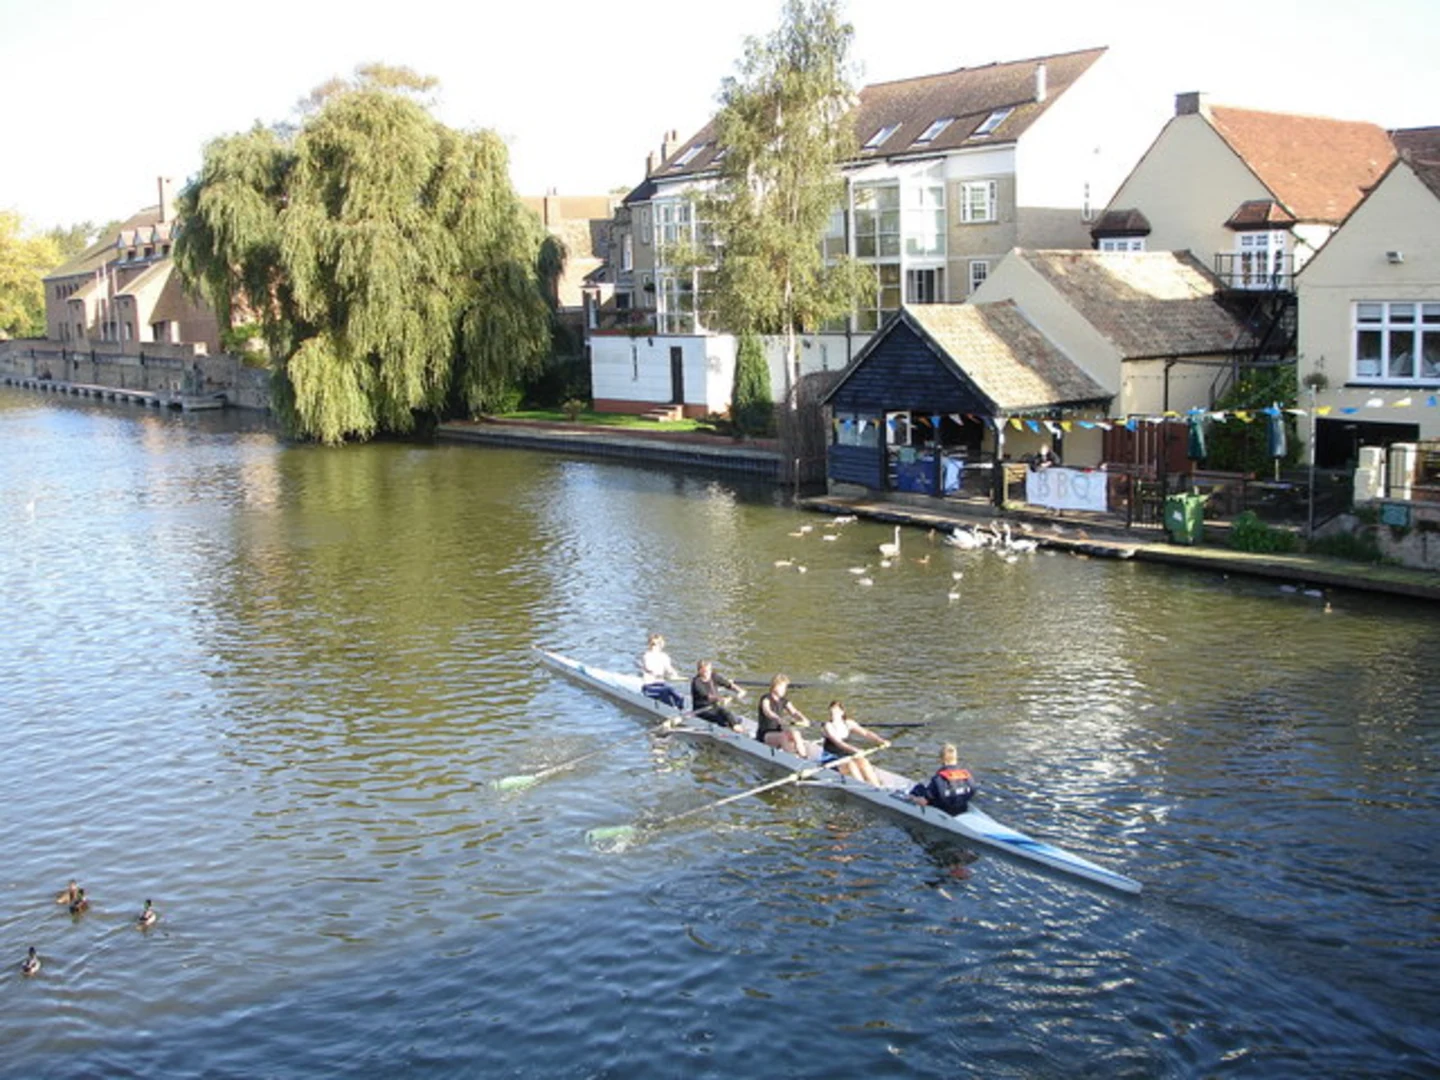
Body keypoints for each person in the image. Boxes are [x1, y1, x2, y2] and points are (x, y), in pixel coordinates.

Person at [820, 701, 888, 786]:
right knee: (851, 765)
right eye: (831, 712)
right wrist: (855, 750)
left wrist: (880, 740)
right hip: (831, 758)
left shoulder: (848, 723)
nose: (833, 714)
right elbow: (839, 743)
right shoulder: (828, 726)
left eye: (836, 712)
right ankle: (862, 786)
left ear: (842, 712)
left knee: (863, 761)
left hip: (845, 756)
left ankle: (876, 786)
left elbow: (866, 733)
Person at [909, 743, 976, 815]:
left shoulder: (938, 779)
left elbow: (923, 802)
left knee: (919, 788)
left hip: (943, 812)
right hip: (962, 809)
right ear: (956, 758)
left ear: (941, 760)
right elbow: (972, 792)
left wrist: (913, 798)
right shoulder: (967, 776)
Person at [756, 674, 811, 757]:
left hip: (777, 732)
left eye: (785, 687)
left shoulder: (784, 701)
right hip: (765, 734)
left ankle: (803, 756)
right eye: (783, 687)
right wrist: (777, 718)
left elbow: (794, 712)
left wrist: (804, 719)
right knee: (783, 737)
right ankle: (791, 757)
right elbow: (767, 711)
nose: (784, 690)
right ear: (775, 686)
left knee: (795, 732)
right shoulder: (766, 699)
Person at [691, 660, 745, 729]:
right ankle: (734, 728)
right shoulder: (696, 682)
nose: (708, 673)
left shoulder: (713, 676)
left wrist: (739, 690)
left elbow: (728, 684)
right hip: (701, 709)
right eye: (705, 671)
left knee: (731, 716)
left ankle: (735, 725)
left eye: (709, 670)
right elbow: (708, 696)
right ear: (699, 671)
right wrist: (722, 699)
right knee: (723, 715)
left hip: (714, 706)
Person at [638, 633, 685, 709]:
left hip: (661, 684)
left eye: (656, 644)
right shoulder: (647, 656)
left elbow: (669, 668)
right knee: (667, 690)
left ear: (661, 645)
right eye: (652, 644)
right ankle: (671, 709)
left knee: (675, 693)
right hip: (649, 687)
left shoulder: (664, 656)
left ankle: (680, 707)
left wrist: (674, 674)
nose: (653, 646)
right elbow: (648, 667)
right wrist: (654, 673)